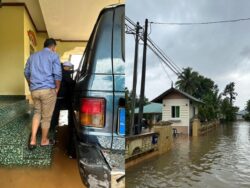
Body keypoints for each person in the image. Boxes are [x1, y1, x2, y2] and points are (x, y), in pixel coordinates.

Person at [24, 38, 62, 150]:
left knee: (37, 113)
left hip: (35, 90)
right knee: (46, 117)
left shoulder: (32, 56)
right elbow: (57, 74)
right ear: (53, 47)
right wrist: (57, 88)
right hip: (48, 90)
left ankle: (33, 140)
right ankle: (44, 140)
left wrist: (31, 85)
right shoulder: (54, 55)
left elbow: (26, 72)